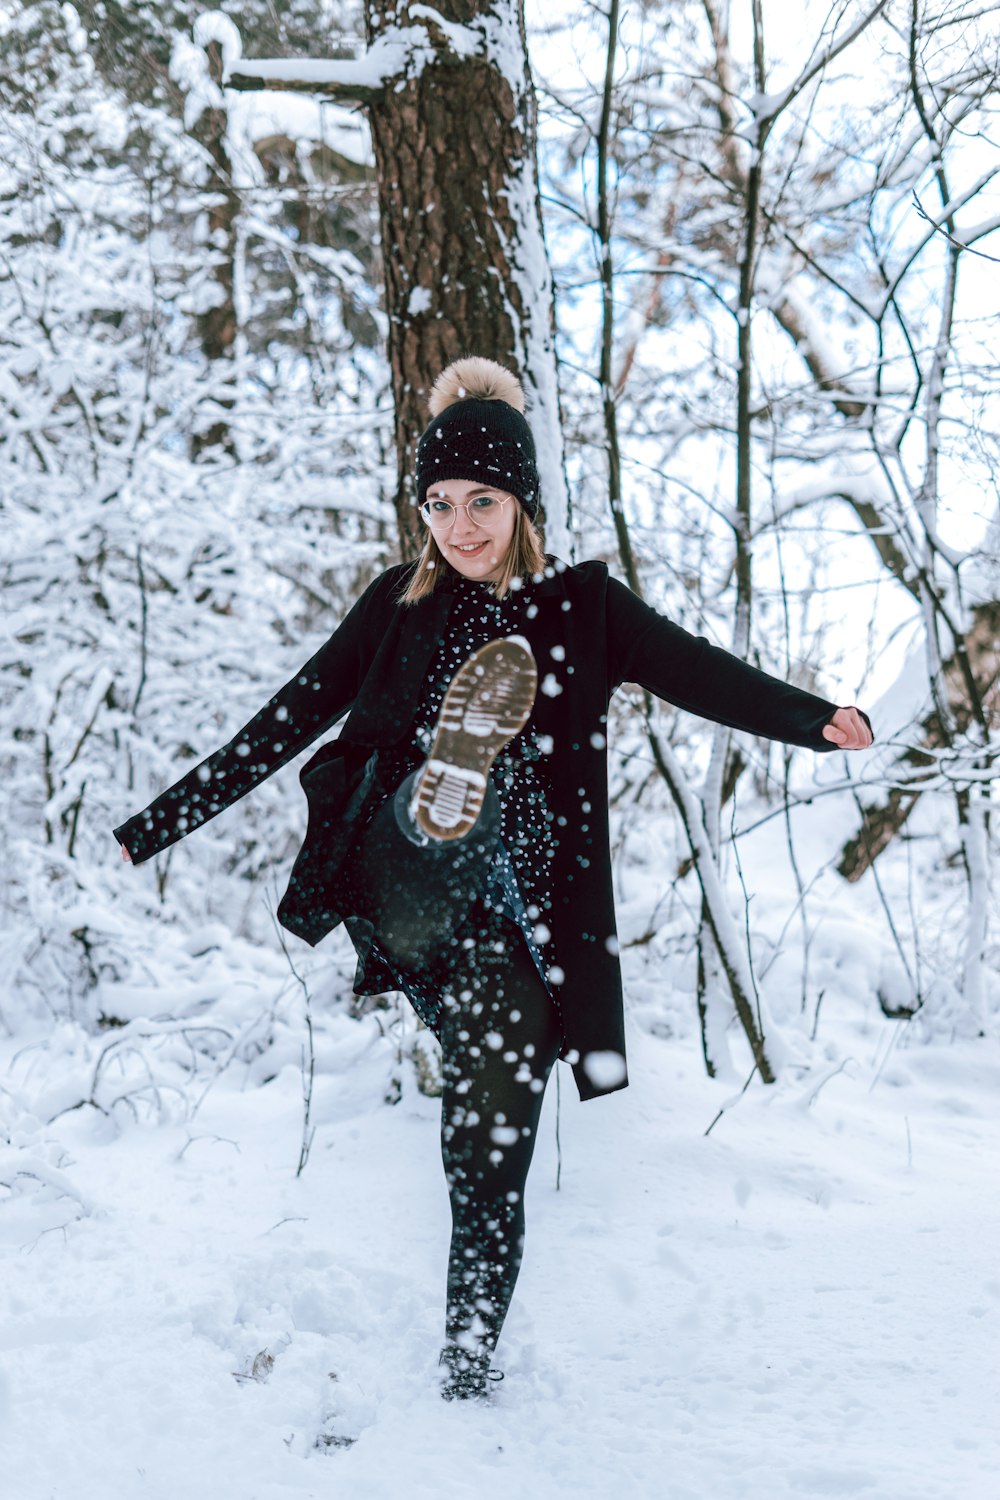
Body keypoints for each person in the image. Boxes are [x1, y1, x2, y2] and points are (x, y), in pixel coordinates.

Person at [115, 356, 873, 1401]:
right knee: (425, 806)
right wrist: (155, 826)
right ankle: (446, 782)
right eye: (438, 504)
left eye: (481, 502)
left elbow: (693, 668)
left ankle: (467, 1356)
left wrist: (810, 719)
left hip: (514, 931)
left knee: (489, 1142)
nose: (459, 527)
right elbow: (289, 718)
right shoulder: (397, 603)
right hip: (401, 873)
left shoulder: (582, 609)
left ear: (520, 502)